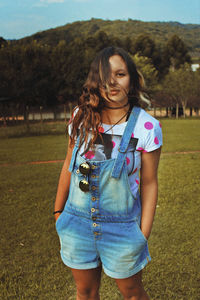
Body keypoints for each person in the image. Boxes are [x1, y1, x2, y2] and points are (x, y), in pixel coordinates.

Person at [54, 46, 162, 300]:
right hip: (76, 225)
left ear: (133, 80)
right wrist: (58, 213)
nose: (112, 82)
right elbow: (68, 166)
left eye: (120, 74)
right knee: (86, 291)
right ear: (95, 82)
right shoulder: (81, 118)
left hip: (122, 229)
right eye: (105, 76)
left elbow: (149, 184)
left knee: (132, 292)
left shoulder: (147, 127)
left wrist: (142, 235)